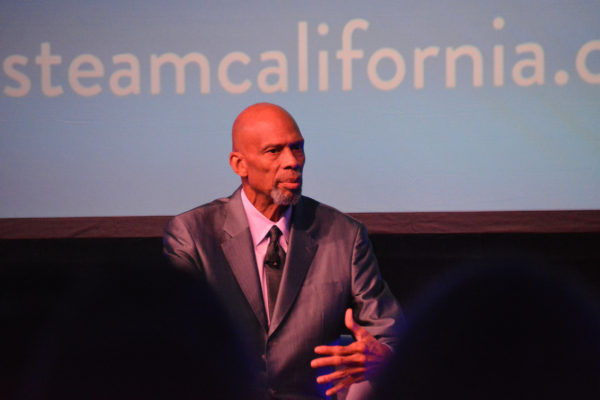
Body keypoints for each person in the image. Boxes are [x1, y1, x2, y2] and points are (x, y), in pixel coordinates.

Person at [163, 103, 402, 399]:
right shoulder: (193, 235)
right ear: (239, 165)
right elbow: (176, 341)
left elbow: (388, 332)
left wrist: (383, 354)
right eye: (274, 151)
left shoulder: (343, 235)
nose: (292, 161)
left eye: (297, 148)